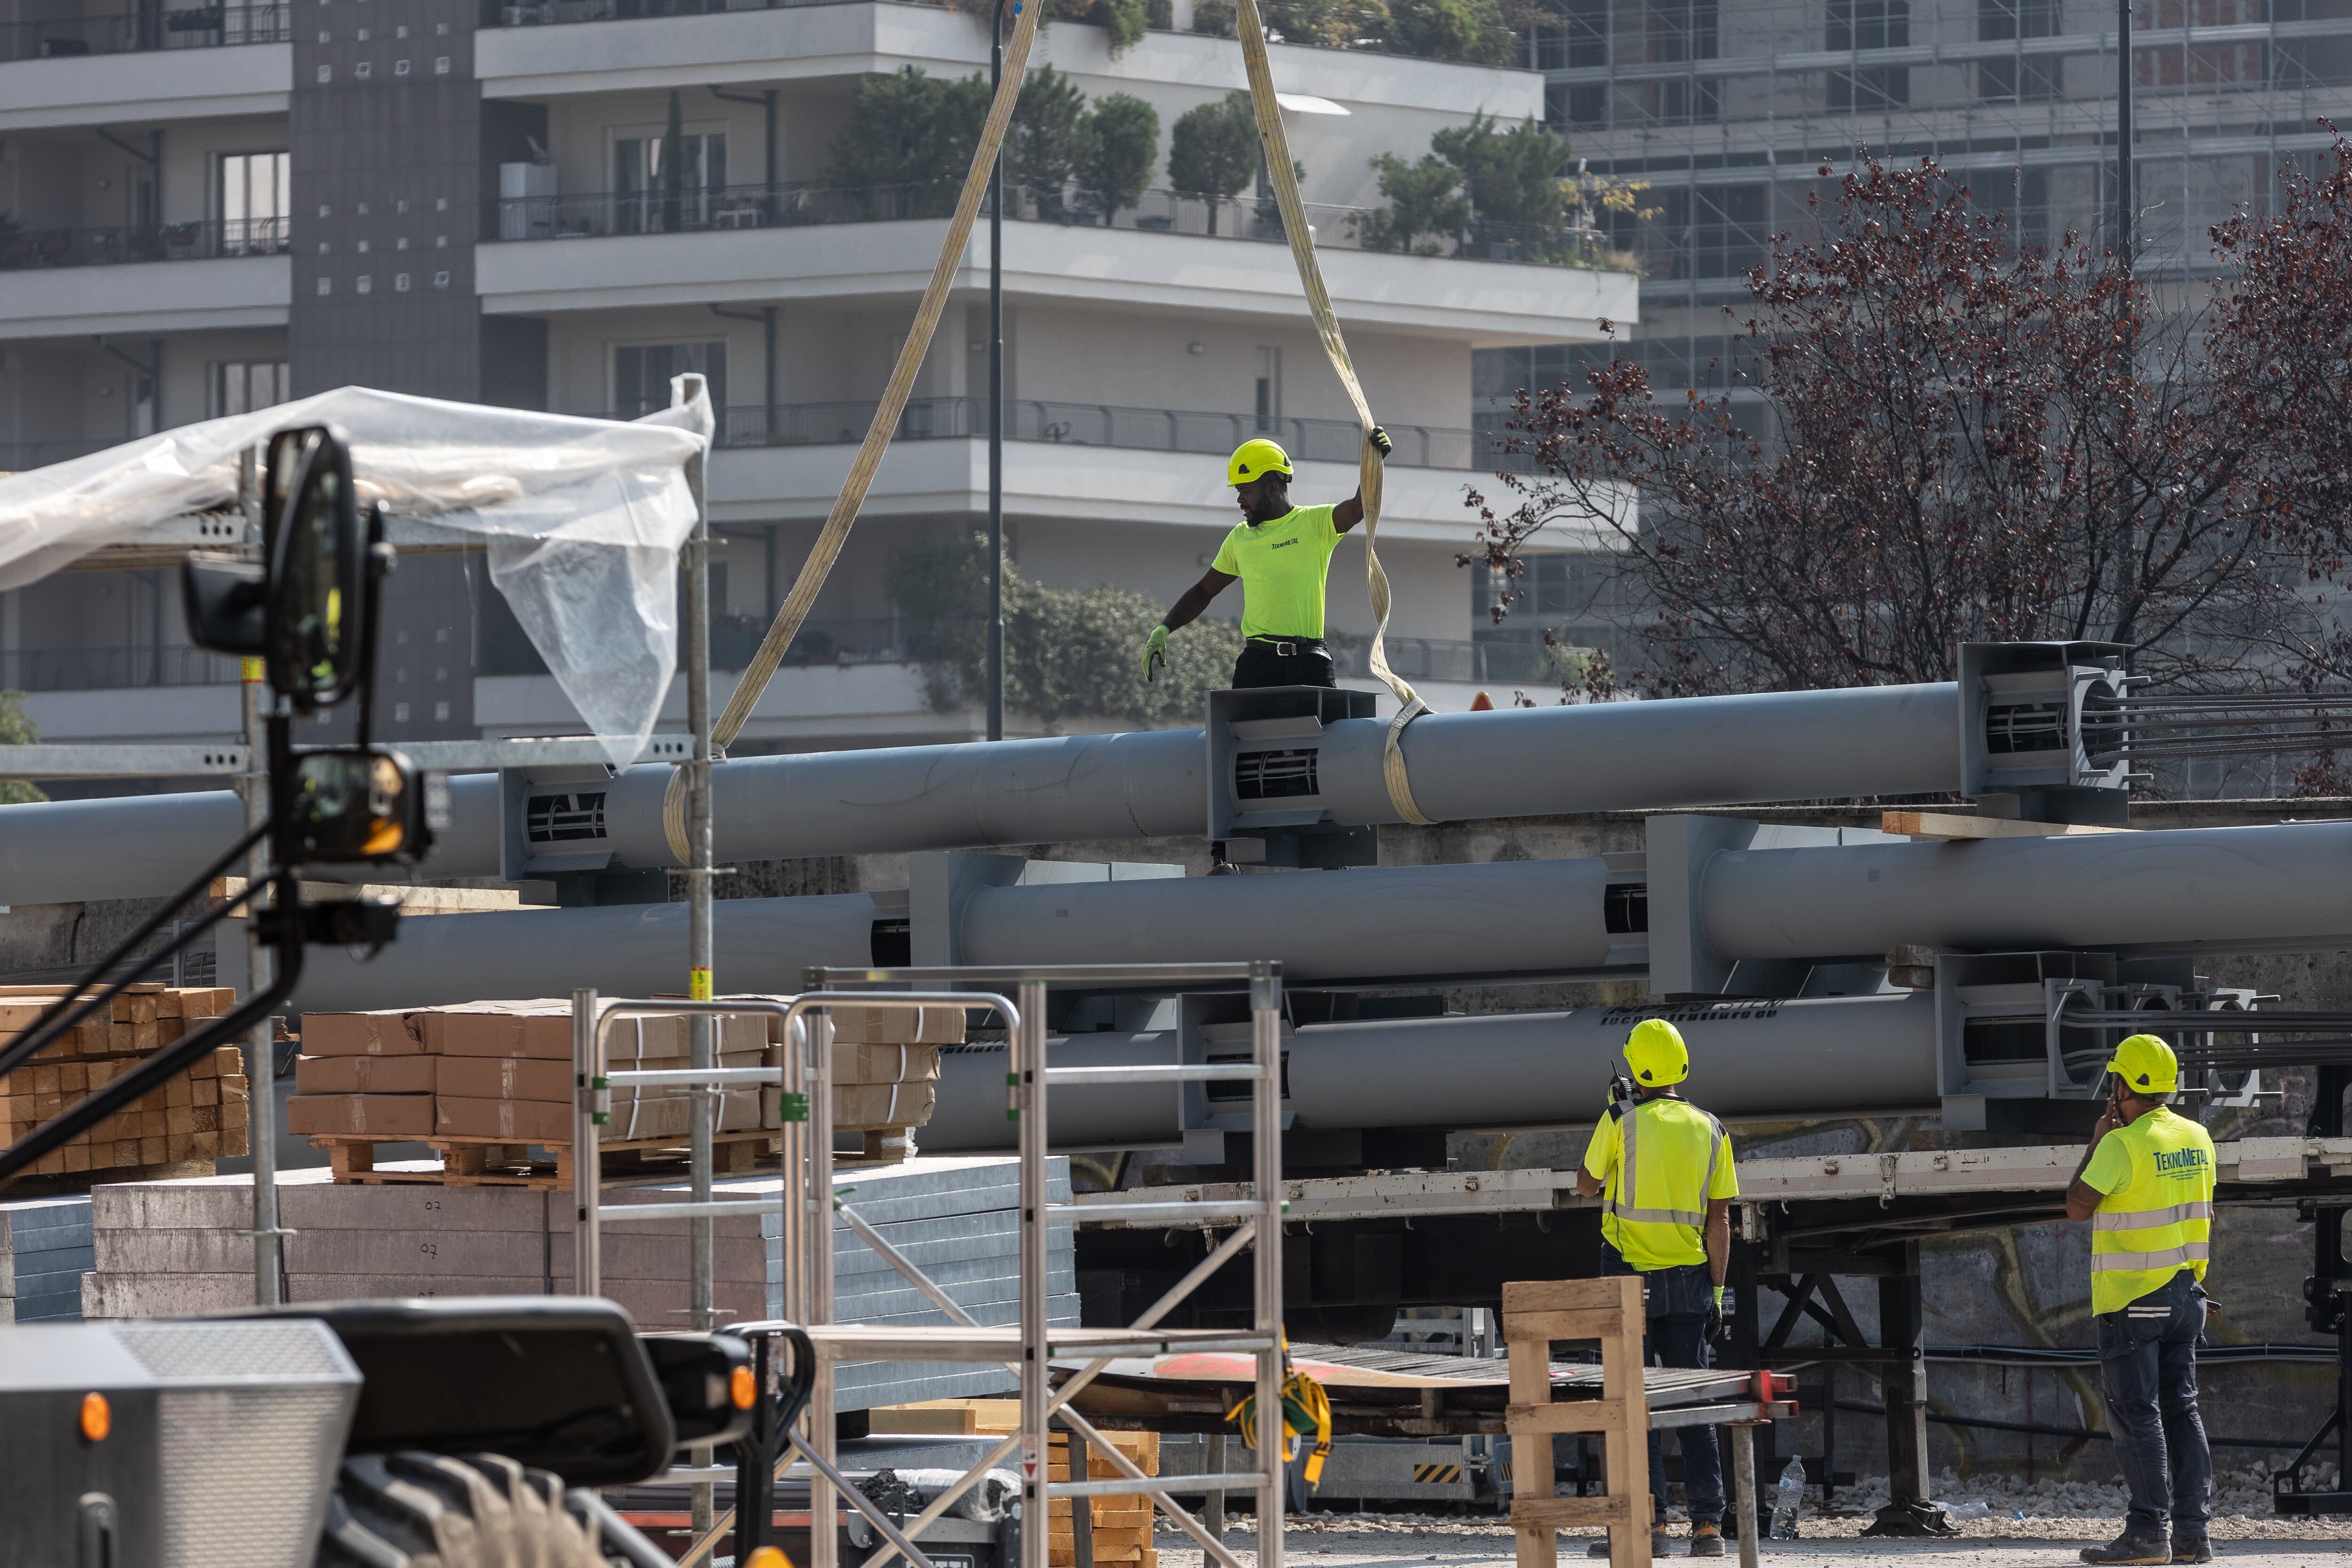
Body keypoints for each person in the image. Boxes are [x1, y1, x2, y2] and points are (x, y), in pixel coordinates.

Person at [1575, 1017, 1738, 1559]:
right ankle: (1708, 1529)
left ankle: (1647, 1529)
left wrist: (1612, 1109)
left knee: (1632, 1405)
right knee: (1690, 1404)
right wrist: (1716, 1293)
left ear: (1636, 1070)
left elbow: (1585, 1184)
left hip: (1627, 1284)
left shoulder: (1620, 1118)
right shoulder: (1711, 1128)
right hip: (1691, 1284)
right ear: (1680, 1066)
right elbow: (1720, 1223)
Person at [2065, 1033, 2217, 1566]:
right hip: (2186, 1295)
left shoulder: (2120, 1144)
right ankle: (2194, 1536)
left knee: (2137, 1415)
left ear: (2121, 1084)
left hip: (2134, 1299)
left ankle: (2147, 1533)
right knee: (2182, 1409)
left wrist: (2097, 1138)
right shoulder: (2198, 1136)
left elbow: (2077, 1205)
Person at [1140, 430, 1391, 691]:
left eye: (1245, 491)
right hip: (1258, 664)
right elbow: (1204, 590)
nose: (1240, 500)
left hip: (1311, 662)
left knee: (1327, 733)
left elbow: (1359, 508)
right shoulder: (1240, 538)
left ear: (1272, 488)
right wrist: (1164, 628)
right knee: (1243, 733)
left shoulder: (1315, 523)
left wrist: (1374, 462)